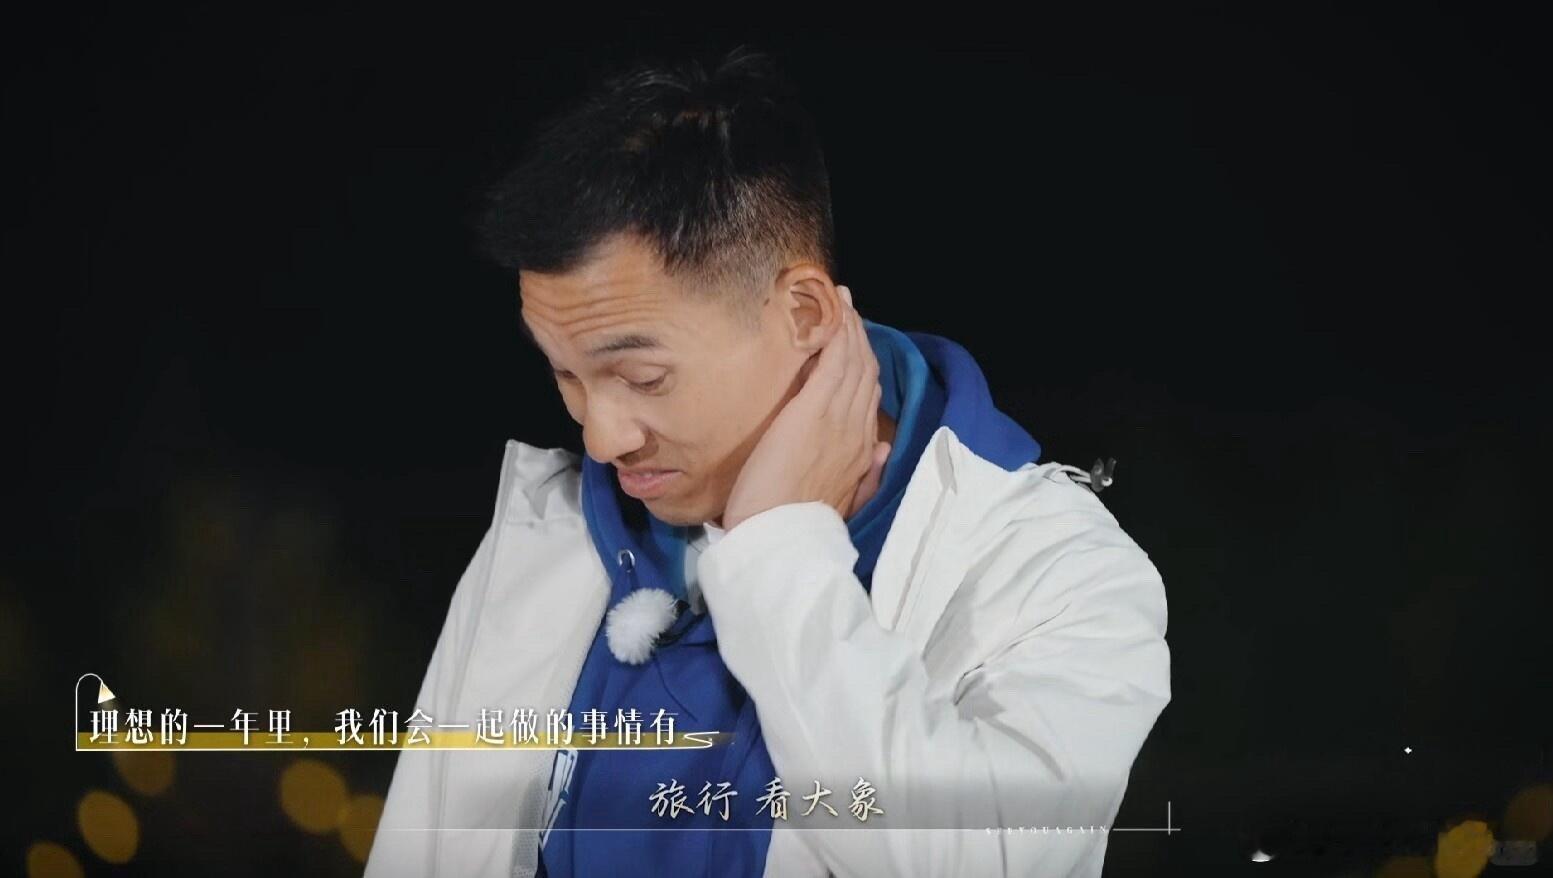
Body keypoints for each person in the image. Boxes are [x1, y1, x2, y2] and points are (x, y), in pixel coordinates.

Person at [364, 44, 1170, 878]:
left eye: (642, 377)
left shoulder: (1056, 570)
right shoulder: (553, 530)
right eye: (565, 376)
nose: (602, 439)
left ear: (804, 313)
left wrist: (778, 549)